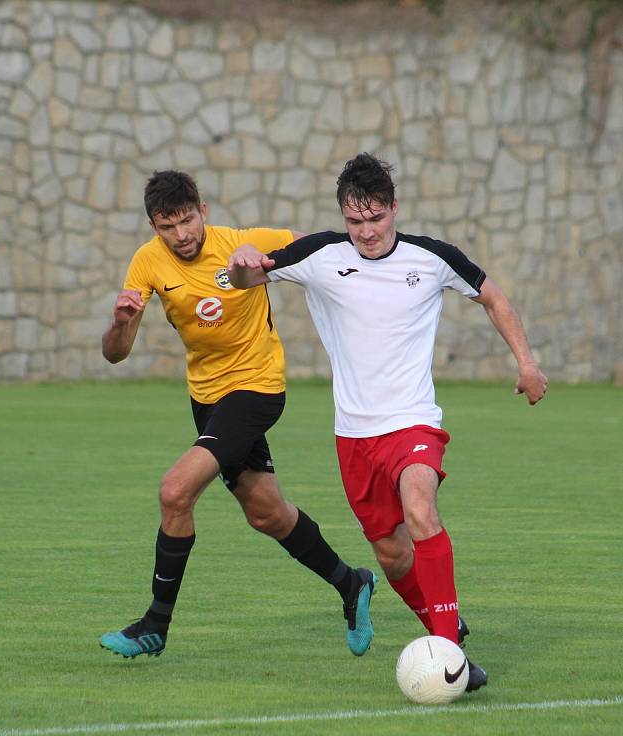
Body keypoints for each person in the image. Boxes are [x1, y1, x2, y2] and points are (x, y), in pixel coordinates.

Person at [227, 153, 549, 692]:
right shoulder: (320, 255)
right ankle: (445, 636)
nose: (366, 232)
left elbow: (492, 296)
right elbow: (243, 280)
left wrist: (527, 362)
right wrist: (242, 263)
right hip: (355, 436)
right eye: (355, 222)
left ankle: (446, 651)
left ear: (394, 209)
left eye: (375, 219)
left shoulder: (432, 257)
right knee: (391, 553)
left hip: (413, 421)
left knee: (421, 508)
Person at [99, 169, 377, 660]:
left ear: (202, 211)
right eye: (168, 227)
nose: (181, 235)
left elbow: (323, 246)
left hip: (256, 389)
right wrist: (120, 323)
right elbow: (116, 354)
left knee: (175, 491)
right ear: (153, 226)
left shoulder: (243, 244)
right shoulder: (146, 264)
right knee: (267, 514)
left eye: (187, 221)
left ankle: (155, 624)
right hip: (206, 401)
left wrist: (369, 261)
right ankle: (352, 584)